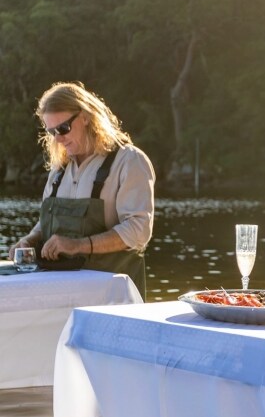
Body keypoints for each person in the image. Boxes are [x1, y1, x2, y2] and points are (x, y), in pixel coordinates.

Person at [9, 82, 155, 299]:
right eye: (51, 132)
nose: (58, 138)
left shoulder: (129, 161)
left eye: (63, 128)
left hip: (113, 298)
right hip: (58, 295)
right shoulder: (59, 169)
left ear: (86, 116)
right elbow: (45, 222)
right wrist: (29, 241)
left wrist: (79, 245)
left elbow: (139, 230)